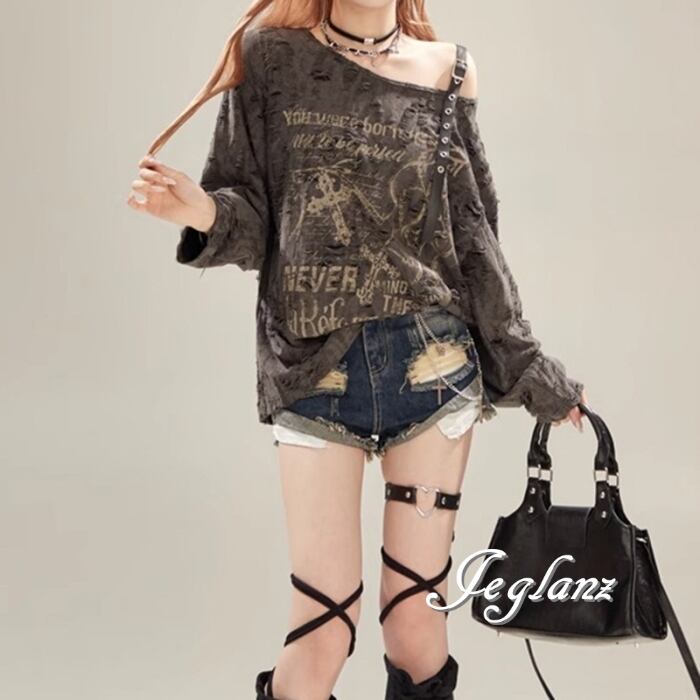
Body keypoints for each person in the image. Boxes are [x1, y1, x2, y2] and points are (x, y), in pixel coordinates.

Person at [127, 2, 588, 698]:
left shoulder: (449, 72)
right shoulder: (269, 58)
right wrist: (201, 211)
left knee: (416, 629)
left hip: (434, 367)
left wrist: (532, 372)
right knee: (324, 629)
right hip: (314, 370)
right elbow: (256, 218)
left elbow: (473, 239)